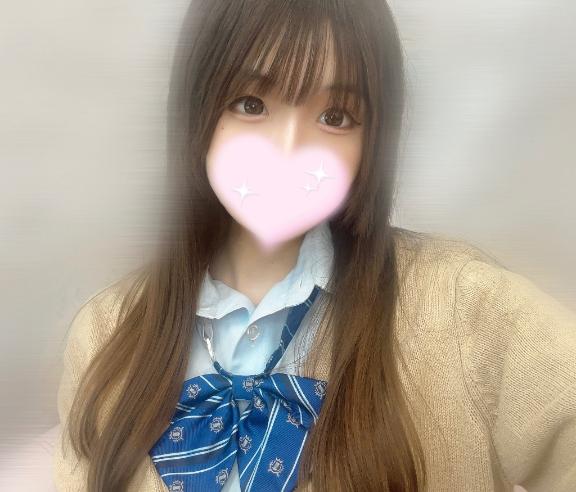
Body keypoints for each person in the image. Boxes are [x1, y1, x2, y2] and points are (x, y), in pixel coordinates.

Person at [53, 1, 576, 491]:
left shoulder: (470, 310)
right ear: (198, 109)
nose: (289, 151)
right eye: (251, 104)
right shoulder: (106, 332)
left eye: (336, 117)